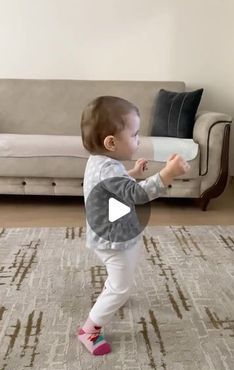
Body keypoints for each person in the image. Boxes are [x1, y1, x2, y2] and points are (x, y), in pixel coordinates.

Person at [77, 96, 190, 355]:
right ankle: (89, 329)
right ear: (111, 142)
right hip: (113, 240)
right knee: (121, 286)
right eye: (135, 134)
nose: (139, 140)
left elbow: (112, 184)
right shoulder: (109, 168)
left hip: (107, 233)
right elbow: (137, 195)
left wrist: (133, 173)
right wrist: (167, 174)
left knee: (123, 269)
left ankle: (114, 290)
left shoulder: (99, 162)